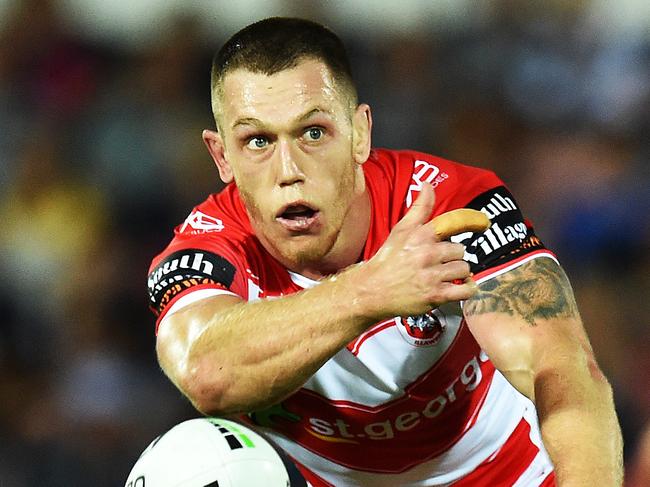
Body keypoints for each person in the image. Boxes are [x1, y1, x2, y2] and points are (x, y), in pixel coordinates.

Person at [147, 17, 623, 486]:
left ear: (359, 134)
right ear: (222, 156)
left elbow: (562, 369)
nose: (288, 170)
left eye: (313, 132)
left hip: (511, 476)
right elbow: (208, 375)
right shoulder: (206, 248)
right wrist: (369, 289)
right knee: (187, 461)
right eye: (257, 141)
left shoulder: (449, 203)